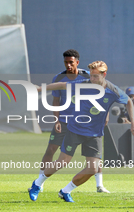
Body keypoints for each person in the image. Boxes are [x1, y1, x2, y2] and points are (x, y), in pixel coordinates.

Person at [28, 60, 134, 202]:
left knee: (93, 169)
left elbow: (128, 101)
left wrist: (132, 122)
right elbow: (61, 85)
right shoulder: (84, 84)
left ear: (104, 75)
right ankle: (37, 184)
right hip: (76, 130)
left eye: (96, 76)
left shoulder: (113, 90)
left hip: (95, 134)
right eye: (91, 75)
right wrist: (40, 89)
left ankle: (65, 191)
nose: (92, 79)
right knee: (62, 162)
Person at [38, 49, 109, 193]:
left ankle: (99, 185)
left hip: (86, 121)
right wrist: (56, 120)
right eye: (66, 62)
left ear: (77, 62)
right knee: (51, 149)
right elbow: (56, 100)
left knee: (95, 154)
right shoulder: (58, 78)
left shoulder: (88, 76)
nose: (68, 65)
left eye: (71, 62)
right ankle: (39, 183)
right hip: (64, 121)